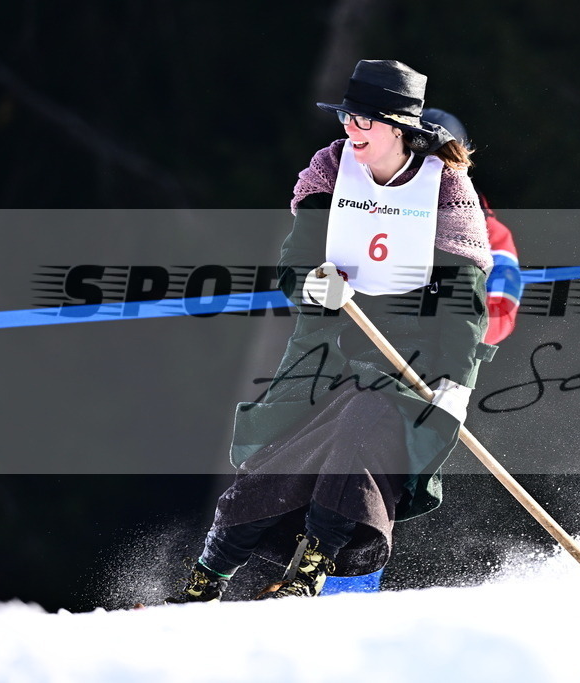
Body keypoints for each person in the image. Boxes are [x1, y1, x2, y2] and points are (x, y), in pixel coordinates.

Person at [164, 60, 495, 602]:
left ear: (398, 128)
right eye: (346, 116)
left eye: (364, 120)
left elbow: (464, 297)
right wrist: (314, 287)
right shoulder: (330, 169)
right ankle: (209, 574)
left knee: (363, 426)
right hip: (331, 344)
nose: (350, 129)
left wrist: (457, 381)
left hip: (409, 358)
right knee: (284, 453)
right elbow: (295, 265)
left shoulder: (444, 188)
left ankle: (314, 570)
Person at [420, 109, 522, 345]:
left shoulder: (491, 234)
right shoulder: (369, 204)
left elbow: (500, 316)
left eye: (434, 161)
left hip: (427, 351)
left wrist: (444, 316)